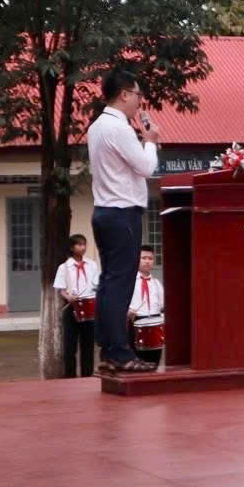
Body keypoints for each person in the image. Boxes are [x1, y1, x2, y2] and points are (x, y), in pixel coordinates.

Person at [87, 68, 160, 373]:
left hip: (104, 212)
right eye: (138, 95)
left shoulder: (96, 127)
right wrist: (151, 141)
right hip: (122, 213)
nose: (139, 102)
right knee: (120, 284)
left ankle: (108, 349)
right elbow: (146, 167)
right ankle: (119, 352)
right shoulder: (118, 128)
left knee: (109, 282)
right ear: (124, 94)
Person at [52, 233, 99, 378]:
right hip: (72, 308)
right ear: (72, 247)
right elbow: (60, 289)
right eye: (79, 244)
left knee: (88, 346)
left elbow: (97, 285)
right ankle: (70, 377)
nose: (82, 247)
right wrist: (69, 297)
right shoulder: (64, 267)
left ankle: (87, 376)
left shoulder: (92, 265)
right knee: (70, 346)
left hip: (89, 307)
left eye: (84, 244)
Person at [127, 247, 165, 368]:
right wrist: (127, 312)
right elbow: (120, 303)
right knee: (138, 363)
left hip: (155, 324)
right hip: (135, 322)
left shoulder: (156, 283)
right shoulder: (129, 282)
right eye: (143, 258)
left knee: (154, 362)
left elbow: (162, 305)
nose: (147, 261)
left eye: (150, 258)